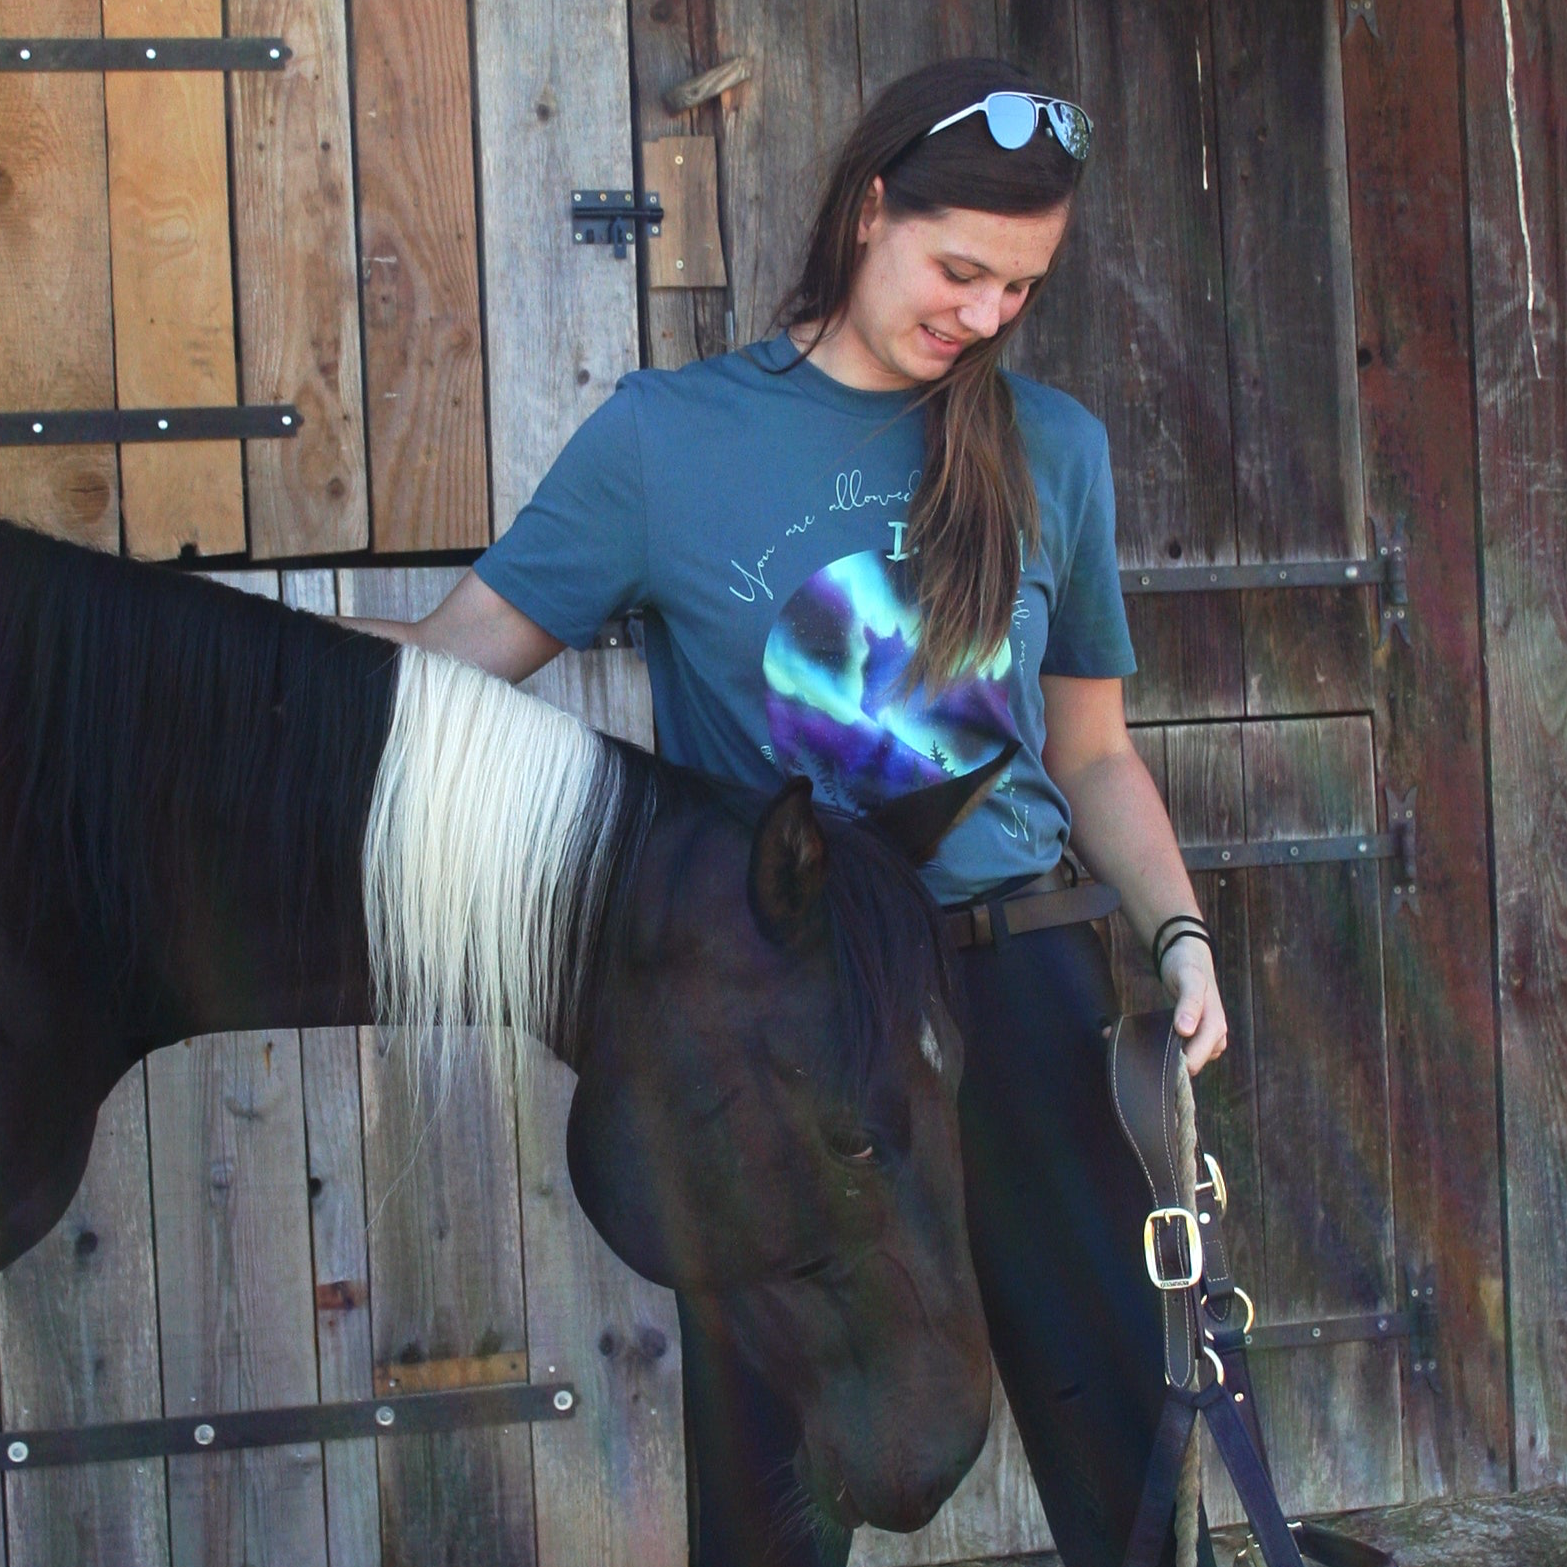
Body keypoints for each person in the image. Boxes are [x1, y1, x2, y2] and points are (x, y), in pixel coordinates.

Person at [348, 55, 1227, 1567]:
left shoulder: (1052, 450)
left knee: (1123, 1461)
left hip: (1014, 990)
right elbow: (447, 677)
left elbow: (1088, 752)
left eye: (1020, 288)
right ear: (868, 207)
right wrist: (199, 667)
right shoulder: (663, 441)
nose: (985, 315)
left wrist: (1181, 932)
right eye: (959, 270)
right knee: (769, 1501)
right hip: (781, 1026)